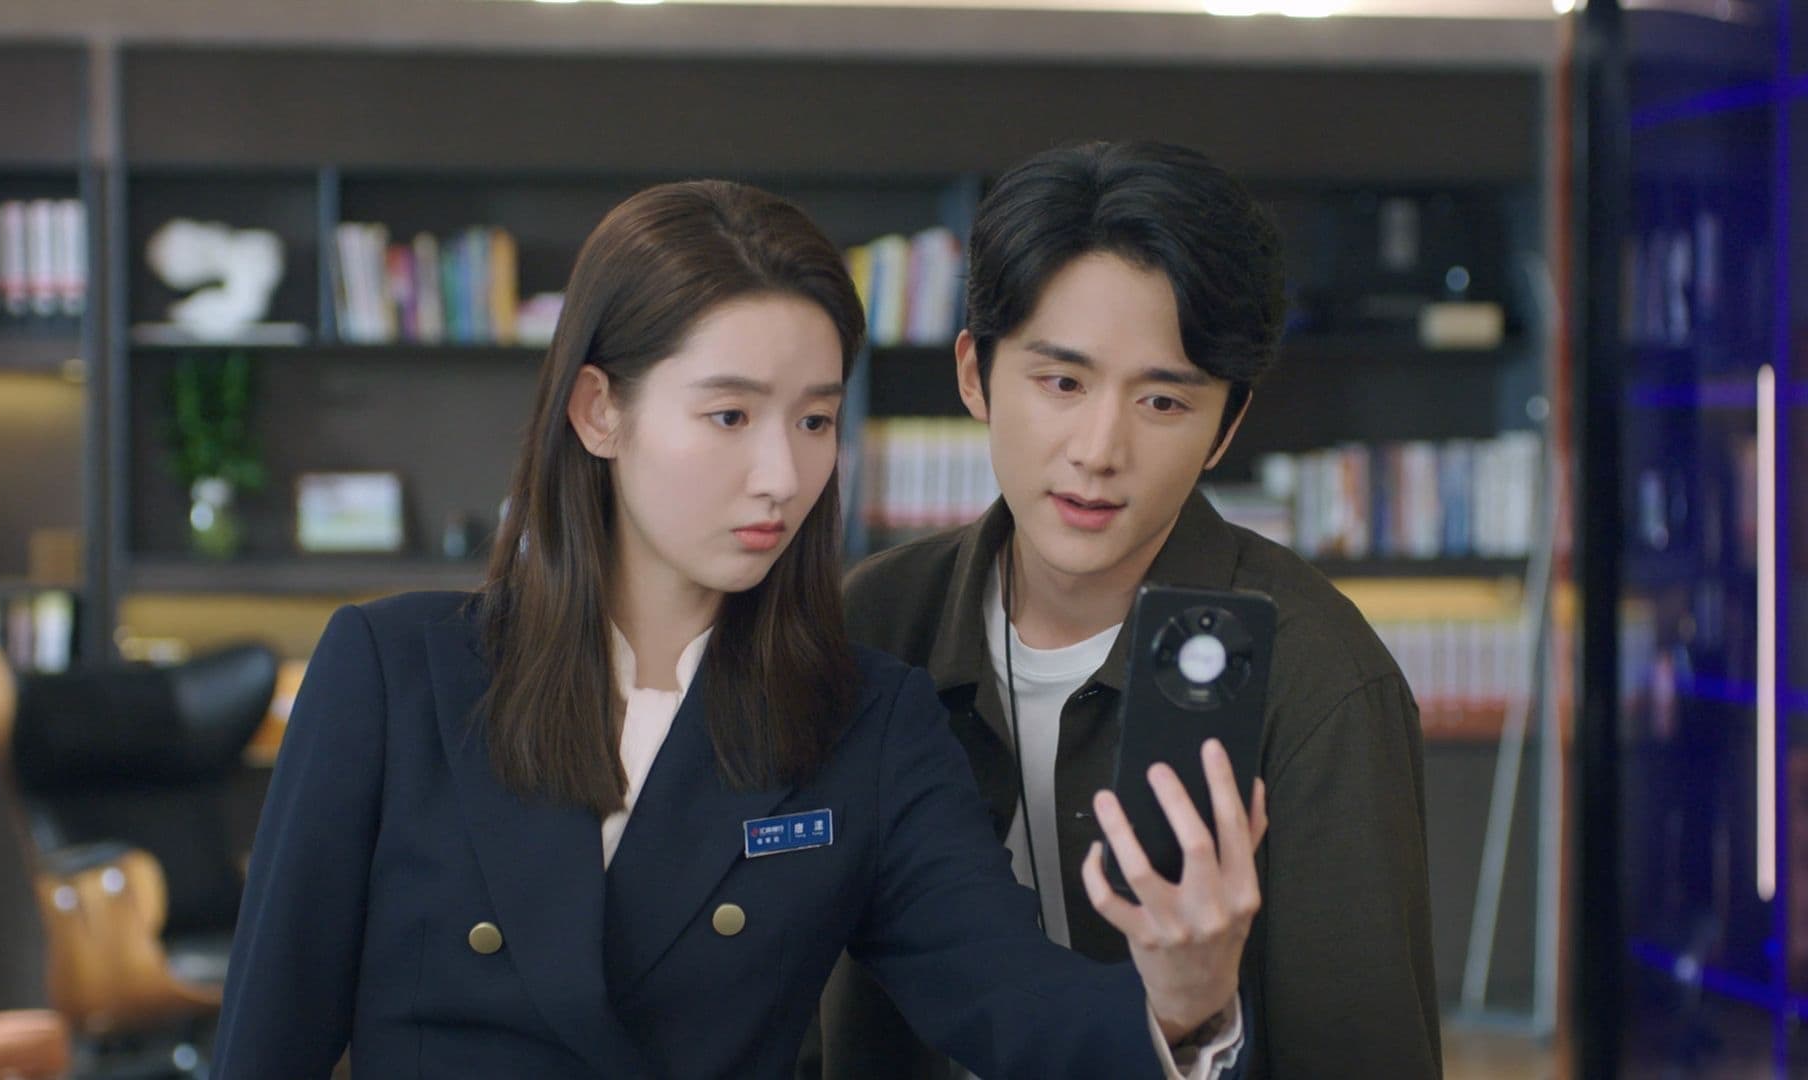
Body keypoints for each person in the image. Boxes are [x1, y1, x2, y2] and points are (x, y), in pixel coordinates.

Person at [209, 179, 1268, 1080]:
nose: (782, 475)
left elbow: (1014, 1004)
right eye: (730, 415)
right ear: (598, 411)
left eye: (814, 420)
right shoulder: (393, 673)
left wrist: (1185, 1001)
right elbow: (268, 1046)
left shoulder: (866, 723)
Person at [816, 141, 1441, 1077]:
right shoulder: (871, 621)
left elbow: (1364, 1056)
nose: (1099, 450)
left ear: (1226, 426)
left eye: (1162, 402)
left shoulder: (1317, 678)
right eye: (1062, 383)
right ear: (974, 373)